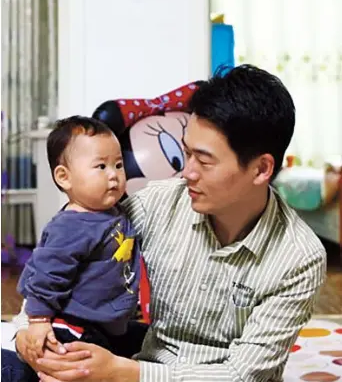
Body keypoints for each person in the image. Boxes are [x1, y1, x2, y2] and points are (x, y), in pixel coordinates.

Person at [3, 65, 326, 382]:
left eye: (204, 160)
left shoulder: (298, 258)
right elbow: (60, 260)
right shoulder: (160, 203)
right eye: (186, 154)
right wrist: (29, 339)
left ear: (261, 169)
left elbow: (243, 374)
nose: (187, 172)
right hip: (144, 356)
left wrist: (121, 373)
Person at [15, 116, 140, 361]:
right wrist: (39, 320)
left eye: (118, 164)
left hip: (105, 321)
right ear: (64, 177)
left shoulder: (115, 211)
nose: (113, 175)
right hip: (73, 323)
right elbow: (46, 273)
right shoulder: (71, 225)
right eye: (101, 167)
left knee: (139, 342)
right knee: (72, 362)